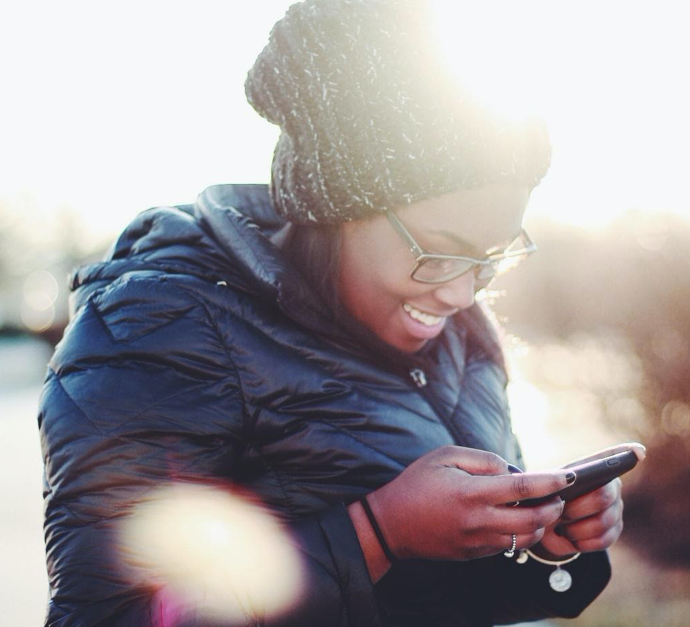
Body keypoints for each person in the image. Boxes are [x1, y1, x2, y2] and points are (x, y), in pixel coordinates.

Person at [39, 1, 625, 625]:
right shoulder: (158, 329)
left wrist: (538, 535)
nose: (463, 294)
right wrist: (375, 534)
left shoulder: (460, 333)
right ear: (334, 205)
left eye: (491, 257)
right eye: (440, 252)